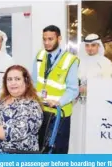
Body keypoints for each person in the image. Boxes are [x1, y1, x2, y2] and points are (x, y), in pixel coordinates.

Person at [31, 25, 79, 154]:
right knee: (40, 148)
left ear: (59, 38)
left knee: (58, 149)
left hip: (60, 113)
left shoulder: (70, 60)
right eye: (44, 39)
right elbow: (34, 82)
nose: (46, 42)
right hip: (40, 111)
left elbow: (73, 90)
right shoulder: (40, 56)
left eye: (50, 39)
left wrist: (59, 102)